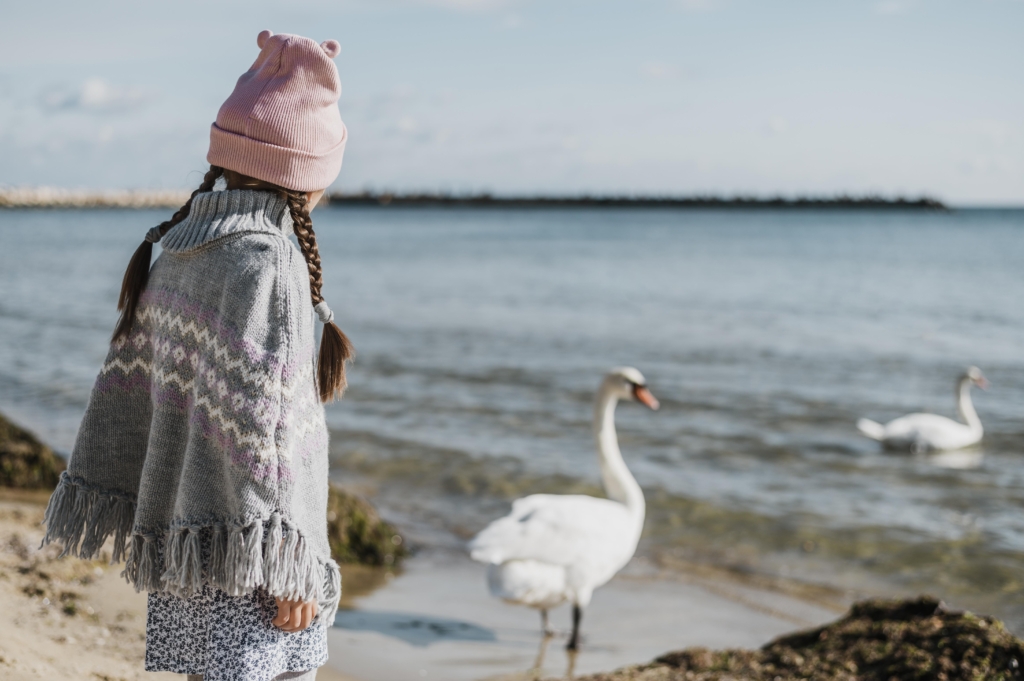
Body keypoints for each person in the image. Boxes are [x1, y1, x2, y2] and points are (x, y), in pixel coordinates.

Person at [41, 30, 352, 681]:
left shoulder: (183, 247)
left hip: (189, 537)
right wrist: (289, 565)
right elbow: (266, 434)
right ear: (309, 177)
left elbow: (132, 391)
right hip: (254, 559)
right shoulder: (268, 262)